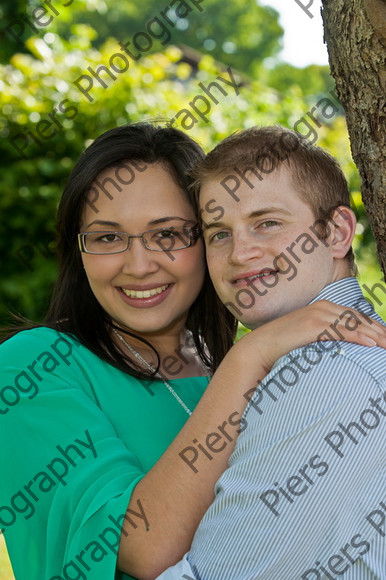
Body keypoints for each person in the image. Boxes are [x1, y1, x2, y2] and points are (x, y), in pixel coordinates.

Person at [0, 124, 384, 580]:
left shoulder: (267, 368)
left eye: (167, 235)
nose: (139, 265)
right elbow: (143, 548)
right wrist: (249, 357)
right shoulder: (33, 366)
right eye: (107, 238)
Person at [157, 126, 386, 580]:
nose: (240, 252)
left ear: (338, 231)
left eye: (267, 223)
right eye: (218, 234)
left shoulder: (324, 376)